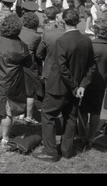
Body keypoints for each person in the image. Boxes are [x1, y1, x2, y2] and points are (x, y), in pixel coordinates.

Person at [33, 9, 96, 162]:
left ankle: (51, 152)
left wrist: (76, 86)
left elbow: (62, 68)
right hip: (76, 89)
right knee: (70, 117)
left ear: (63, 22)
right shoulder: (87, 40)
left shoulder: (63, 41)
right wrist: (82, 86)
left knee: (47, 115)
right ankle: (66, 151)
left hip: (59, 88)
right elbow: (91, 66)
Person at [0, 14, 32, 146]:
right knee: (9, 111)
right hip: (14, 81)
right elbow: (29, 64)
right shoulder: (21, 46)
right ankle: (5, 137)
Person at [77, 19, 107, 148]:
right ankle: (91, 137)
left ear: (95, 31)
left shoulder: (91, 45)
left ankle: (82, 135)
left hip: (86, 81)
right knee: (95, 111)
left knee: (83, 110)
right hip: (101, 82)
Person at [19, 12, 42, 124]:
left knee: (19, 90)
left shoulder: (19, 32)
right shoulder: (37, 36)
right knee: (29, 92)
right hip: (29, 65)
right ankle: (29, 116)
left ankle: (20, 113)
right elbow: (39, 54)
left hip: (17, 64)